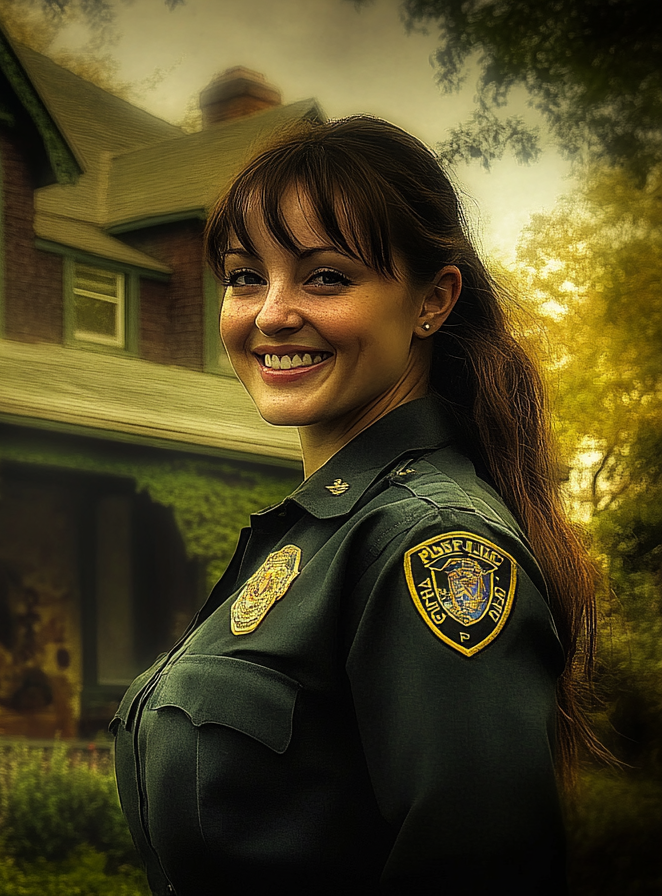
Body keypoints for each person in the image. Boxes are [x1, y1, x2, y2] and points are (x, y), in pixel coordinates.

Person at [110, 116, 599, 895]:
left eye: (326, 276)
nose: (270, 313)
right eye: (244, 276)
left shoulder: (430, 542)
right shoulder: (316, 537)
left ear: (432, 301)